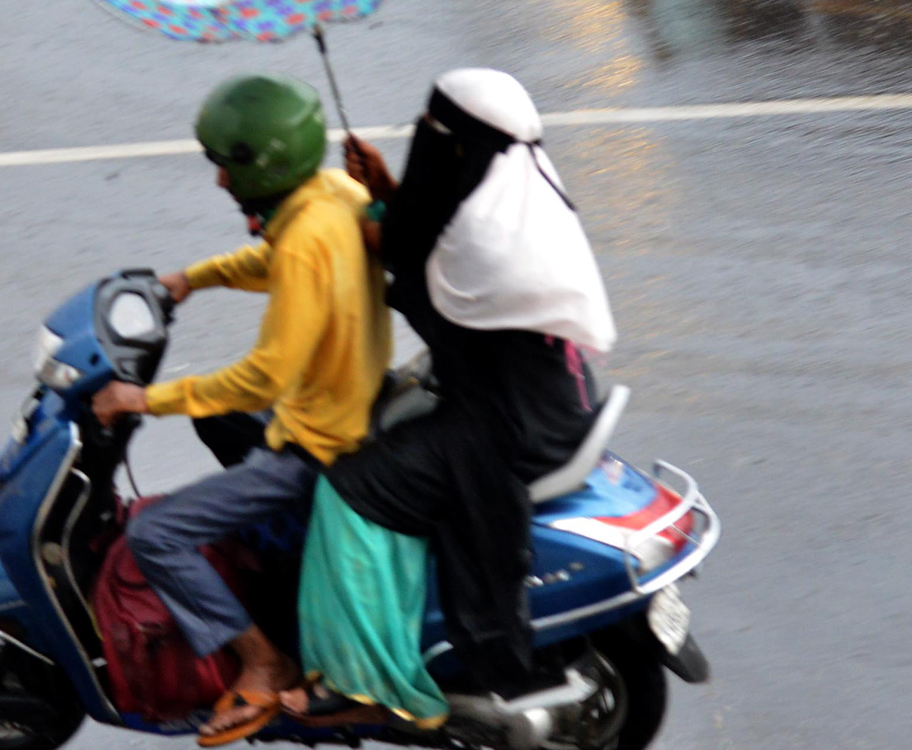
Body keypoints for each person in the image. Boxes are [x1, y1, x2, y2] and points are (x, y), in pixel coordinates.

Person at [280, 69, 617, 727]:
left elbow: (411, 265)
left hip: (500, 427)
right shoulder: (515, 194)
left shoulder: (482, 240)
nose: (426, 144)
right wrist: (382, 189)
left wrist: (314, 224)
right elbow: (430, 237)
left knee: (349, 488)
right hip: (544, 400)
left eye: (436, 136)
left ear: (459, 145)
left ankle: (365, 682)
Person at [91, 73, 392, 746]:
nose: (223, 183)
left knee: (156, 535)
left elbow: (265, 376)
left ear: (269, 161)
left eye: (229, 167)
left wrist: (147, 398)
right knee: (215, 418)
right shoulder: (333, 194)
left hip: (319, 446)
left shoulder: (310, 236)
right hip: (358, 410)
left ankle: (263, 660)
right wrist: (195, 278)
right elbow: (278, 261)